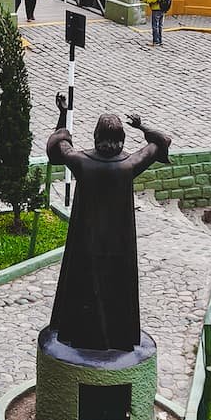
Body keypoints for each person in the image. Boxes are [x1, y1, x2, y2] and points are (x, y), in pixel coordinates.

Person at [45, 92, 171, 352]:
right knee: (118, 290)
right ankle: (118, 338)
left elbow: (58, 144)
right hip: (119, 246)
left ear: (95, 136)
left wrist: (63, 113)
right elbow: (162, 141)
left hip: (86, 243)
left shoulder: (81, 162)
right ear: (121, 139)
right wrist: (142, 126)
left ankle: (80, 336)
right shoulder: (130, 165)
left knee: (83, 288)